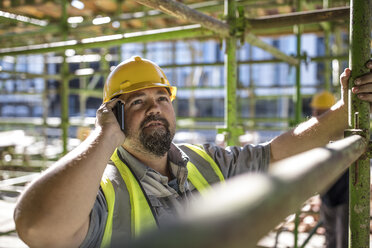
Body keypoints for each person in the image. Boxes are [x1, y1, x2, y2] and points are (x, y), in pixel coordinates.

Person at [13, 56, 372, 248]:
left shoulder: (204, 161)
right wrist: (103, 137)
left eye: (161, 98)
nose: (154, 108)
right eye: (137, 101)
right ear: (114, 115)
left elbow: (276, 154)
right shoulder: (102, 190)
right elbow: (37, 228)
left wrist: (344, 110)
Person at [310, 91, 349, 248]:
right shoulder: (317, 132)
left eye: (318, 111)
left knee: (343, 236)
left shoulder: (342, 130)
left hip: (344, 193)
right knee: (330, 233)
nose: (314, 114)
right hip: (327, 192)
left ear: (328, 111)